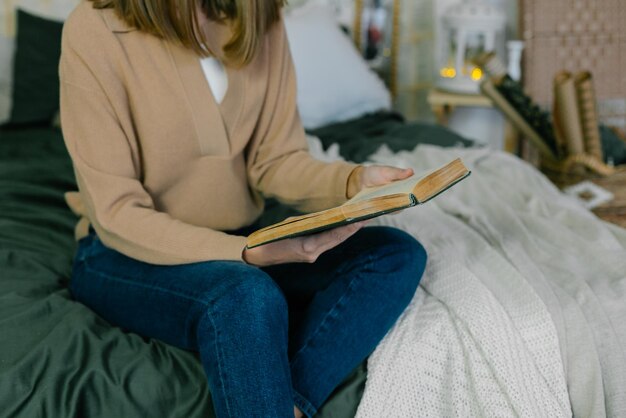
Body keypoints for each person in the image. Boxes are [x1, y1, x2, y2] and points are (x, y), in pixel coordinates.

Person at [59, 1, 427, 417]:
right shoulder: (96, 27)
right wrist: (246, 254)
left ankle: (288, 407)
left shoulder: (258, 16)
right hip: (124, 253)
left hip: (240, 242)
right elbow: (116, 213)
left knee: (394, 255)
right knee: (246, 295)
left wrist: (350, 181)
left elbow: (274, 160)